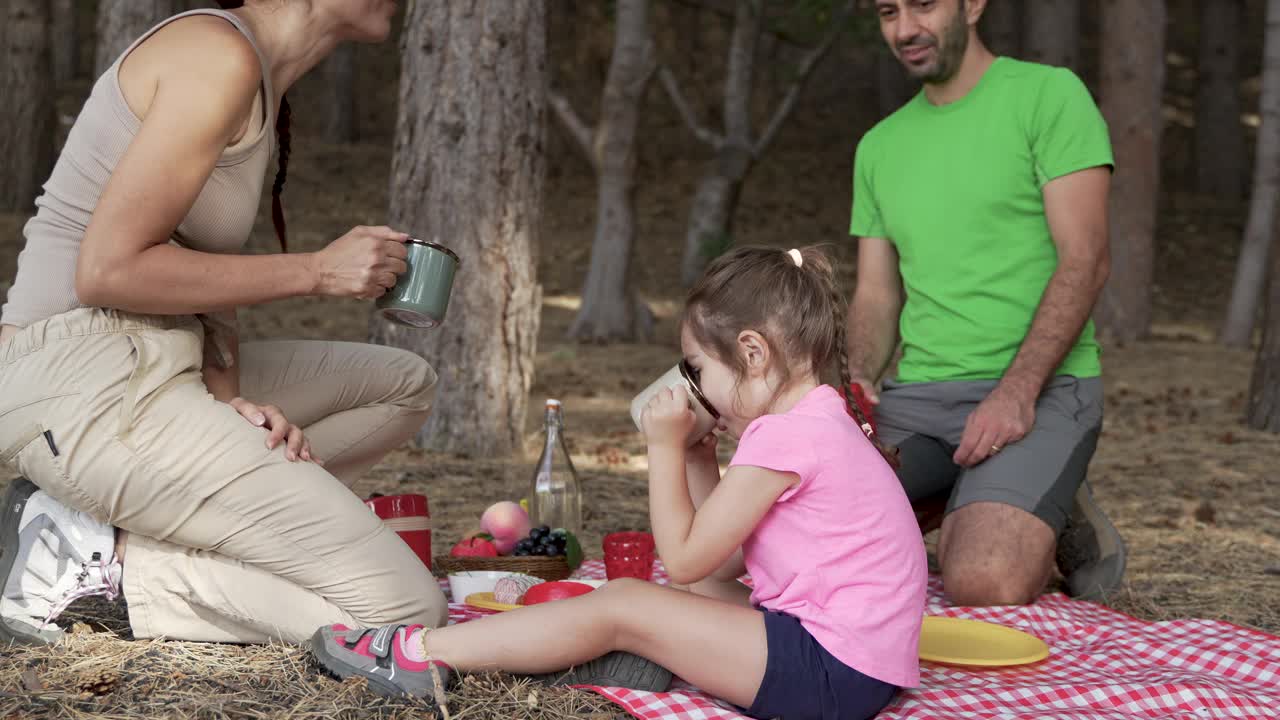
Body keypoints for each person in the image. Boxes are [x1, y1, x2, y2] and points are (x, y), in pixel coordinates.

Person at [309, 245, 928, 720]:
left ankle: (420, 656)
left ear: (753, 352)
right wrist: (696, 457)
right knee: (680, 605)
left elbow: (684, 562)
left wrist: (661, 449)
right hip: (856, 668)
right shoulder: (817, 418)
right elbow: (724, 564)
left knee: (628, 602)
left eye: (697, 369)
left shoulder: (785, 437)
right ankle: (620, 652)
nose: (692, 385)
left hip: (833, 675)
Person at [0, 0, 450, 646]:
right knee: (404, 612)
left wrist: (229, 400)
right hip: (79, 382)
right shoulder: (218, 56)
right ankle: (111, 575)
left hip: (147, 358)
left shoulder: (260, 77)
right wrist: (318, 272)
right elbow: (108, 271)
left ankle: (127, 528)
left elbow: (206, 267)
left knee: (401, 383)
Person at [847, 0, 1127, 606]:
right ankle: (978, 486)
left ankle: (1049, 500)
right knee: (788, 527)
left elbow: (1086, 258)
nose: (905, 30)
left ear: (973, 4)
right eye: (888, 11)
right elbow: (876, 289)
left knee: (980, 580)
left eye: (923, 5)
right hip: (917, 402)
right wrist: (860, 377)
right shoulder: (879, 145)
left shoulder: (1049, 96)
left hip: (1043, 389)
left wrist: (1015, 393)